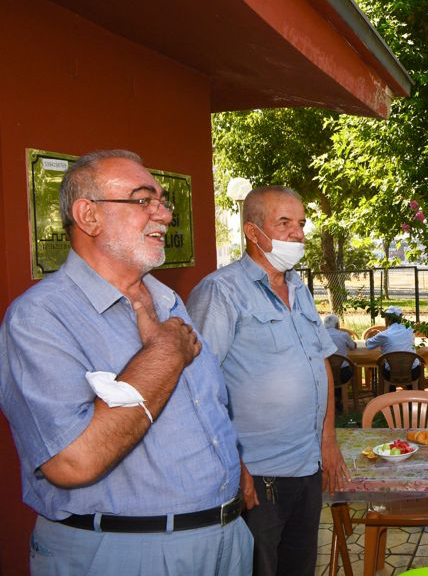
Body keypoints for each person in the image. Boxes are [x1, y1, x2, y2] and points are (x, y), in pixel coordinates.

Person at [0, 150, 252, 575]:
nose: (164, 215)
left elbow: (204, 409)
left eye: (162, 201)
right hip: (125, 552)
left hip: (226, 539)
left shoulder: (168, 301)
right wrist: (164, 354)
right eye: (142, 200)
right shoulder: (39, 317)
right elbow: (72, 461)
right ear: (89, 216)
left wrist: (231, 470)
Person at [187, 185, 346, 576]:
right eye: (284, 223)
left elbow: (320, 363)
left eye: (301, 224)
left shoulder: (298, 288)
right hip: (258, 476)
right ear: (252, 231)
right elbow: (195, 386)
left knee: (299, 567)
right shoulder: (221, 291)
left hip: (307, 466)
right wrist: (233, 465)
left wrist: (328, 440)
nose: (298, 234)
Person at [366, 305, 423, 382]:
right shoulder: (410, 330)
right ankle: (411, 388)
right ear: (401, 318)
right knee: (412, 366)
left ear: (387, 319)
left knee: (384, 366)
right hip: (414, 372)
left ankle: (389, 389)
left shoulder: (384, 335)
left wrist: (374, 335)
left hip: (391, 374)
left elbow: (368, 344)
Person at [323, 314, 356, 384]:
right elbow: (353, 346)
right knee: (353, 366)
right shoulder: (344, 335)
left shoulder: (319, 336)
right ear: (337, 324)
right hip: (343, 373)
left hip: (325, 373)